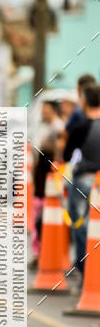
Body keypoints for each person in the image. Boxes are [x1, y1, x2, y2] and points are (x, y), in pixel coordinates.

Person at [63, 84, 100, 279]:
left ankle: (83, 266)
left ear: (84, 101)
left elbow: (66, 155)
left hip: (84, 179)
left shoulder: (81, 127)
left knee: (80, 224)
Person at [31, 97, 64, 265]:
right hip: (41, 181)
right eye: (42, 109)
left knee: (44, 220)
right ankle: (39, 253)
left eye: (46, 109)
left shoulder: (58, 127)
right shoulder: (46, 127)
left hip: (50, 182)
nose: (43, 112)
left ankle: (44, 254)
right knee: (38, 217)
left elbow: (58, 154)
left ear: (53, 110)